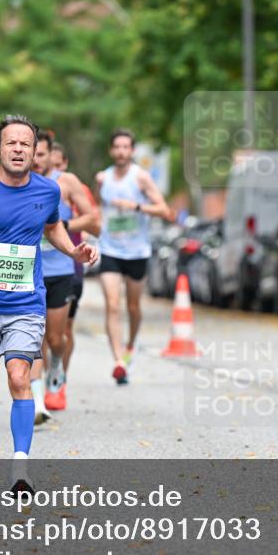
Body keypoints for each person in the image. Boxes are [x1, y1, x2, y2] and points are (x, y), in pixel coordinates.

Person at [0, 115, 97, 492]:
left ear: (34, 151)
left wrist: (73, 248)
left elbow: (52, 225)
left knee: (20, 377)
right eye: (11, 143)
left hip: (26, 302)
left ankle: (20, 466)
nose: (19, 149)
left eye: (26, 144)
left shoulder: (47, 191)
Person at [29, 132, 100, 424]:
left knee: (55, 338)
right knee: (32, 338)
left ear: (50, 155)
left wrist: (60, 224)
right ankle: (36, 403)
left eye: (42, 154)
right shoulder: (18, 182)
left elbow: (94, 219)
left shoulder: (66, 182)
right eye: (33, 154)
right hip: (27, 272)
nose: (36, 160)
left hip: (59, 271)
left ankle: (57, 364)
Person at [95, 129, 173, 384]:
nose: (121, 151)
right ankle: (119, 361)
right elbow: (99, 209)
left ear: (132, 150)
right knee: (113, 304)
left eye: (126, 147)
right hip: (110, 249)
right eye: (117, 147)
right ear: (110, 150)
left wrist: (136, 207)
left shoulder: (141, 178)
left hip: (137, 251)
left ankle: (131, 345)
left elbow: (164, 210)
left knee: (133, 307)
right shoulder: (103, 179)